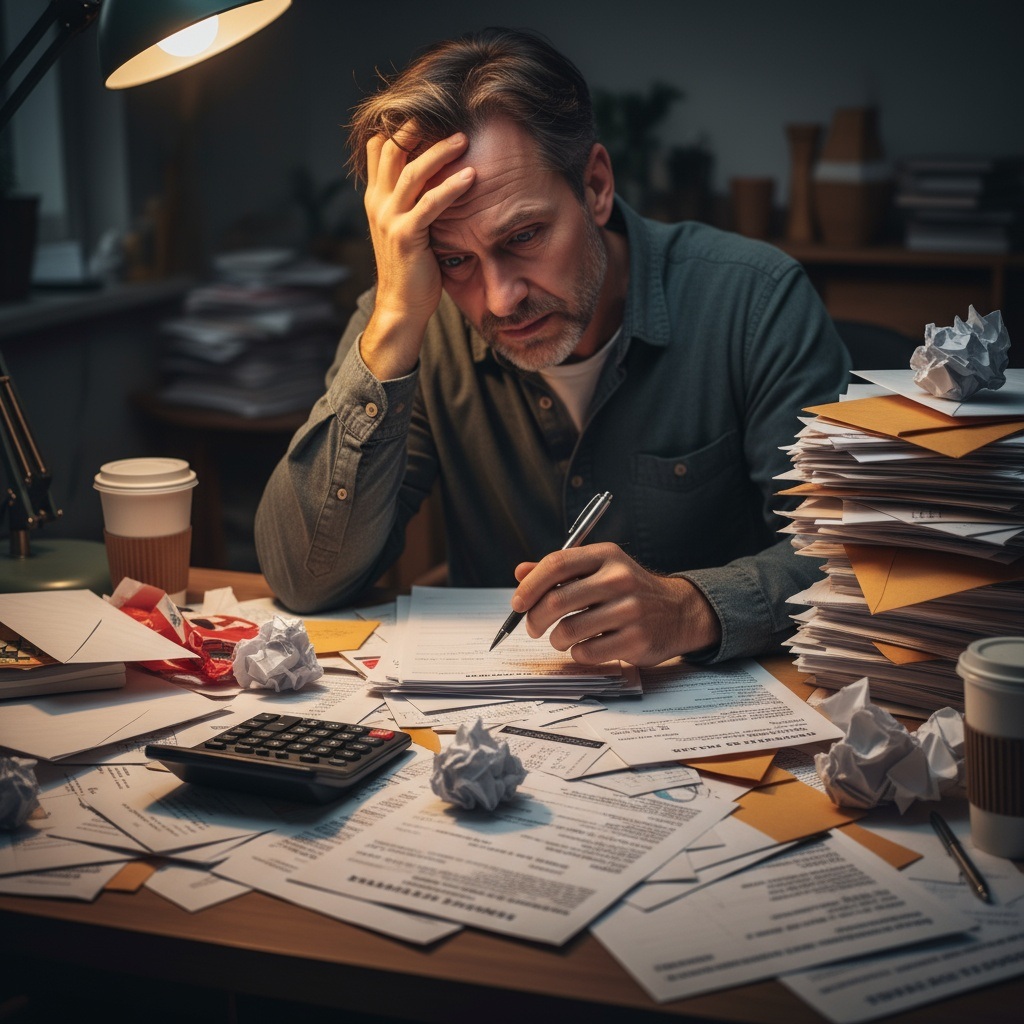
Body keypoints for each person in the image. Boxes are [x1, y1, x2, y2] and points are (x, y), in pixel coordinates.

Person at [255, 26, 850, 668]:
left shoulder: (756, 301)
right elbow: (304, 580)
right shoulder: (411, 320)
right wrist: (395, 321)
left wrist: (689, 608)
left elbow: (854, 558)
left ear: (595, 186)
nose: (500, 298)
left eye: (525, 235)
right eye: (455, 258)